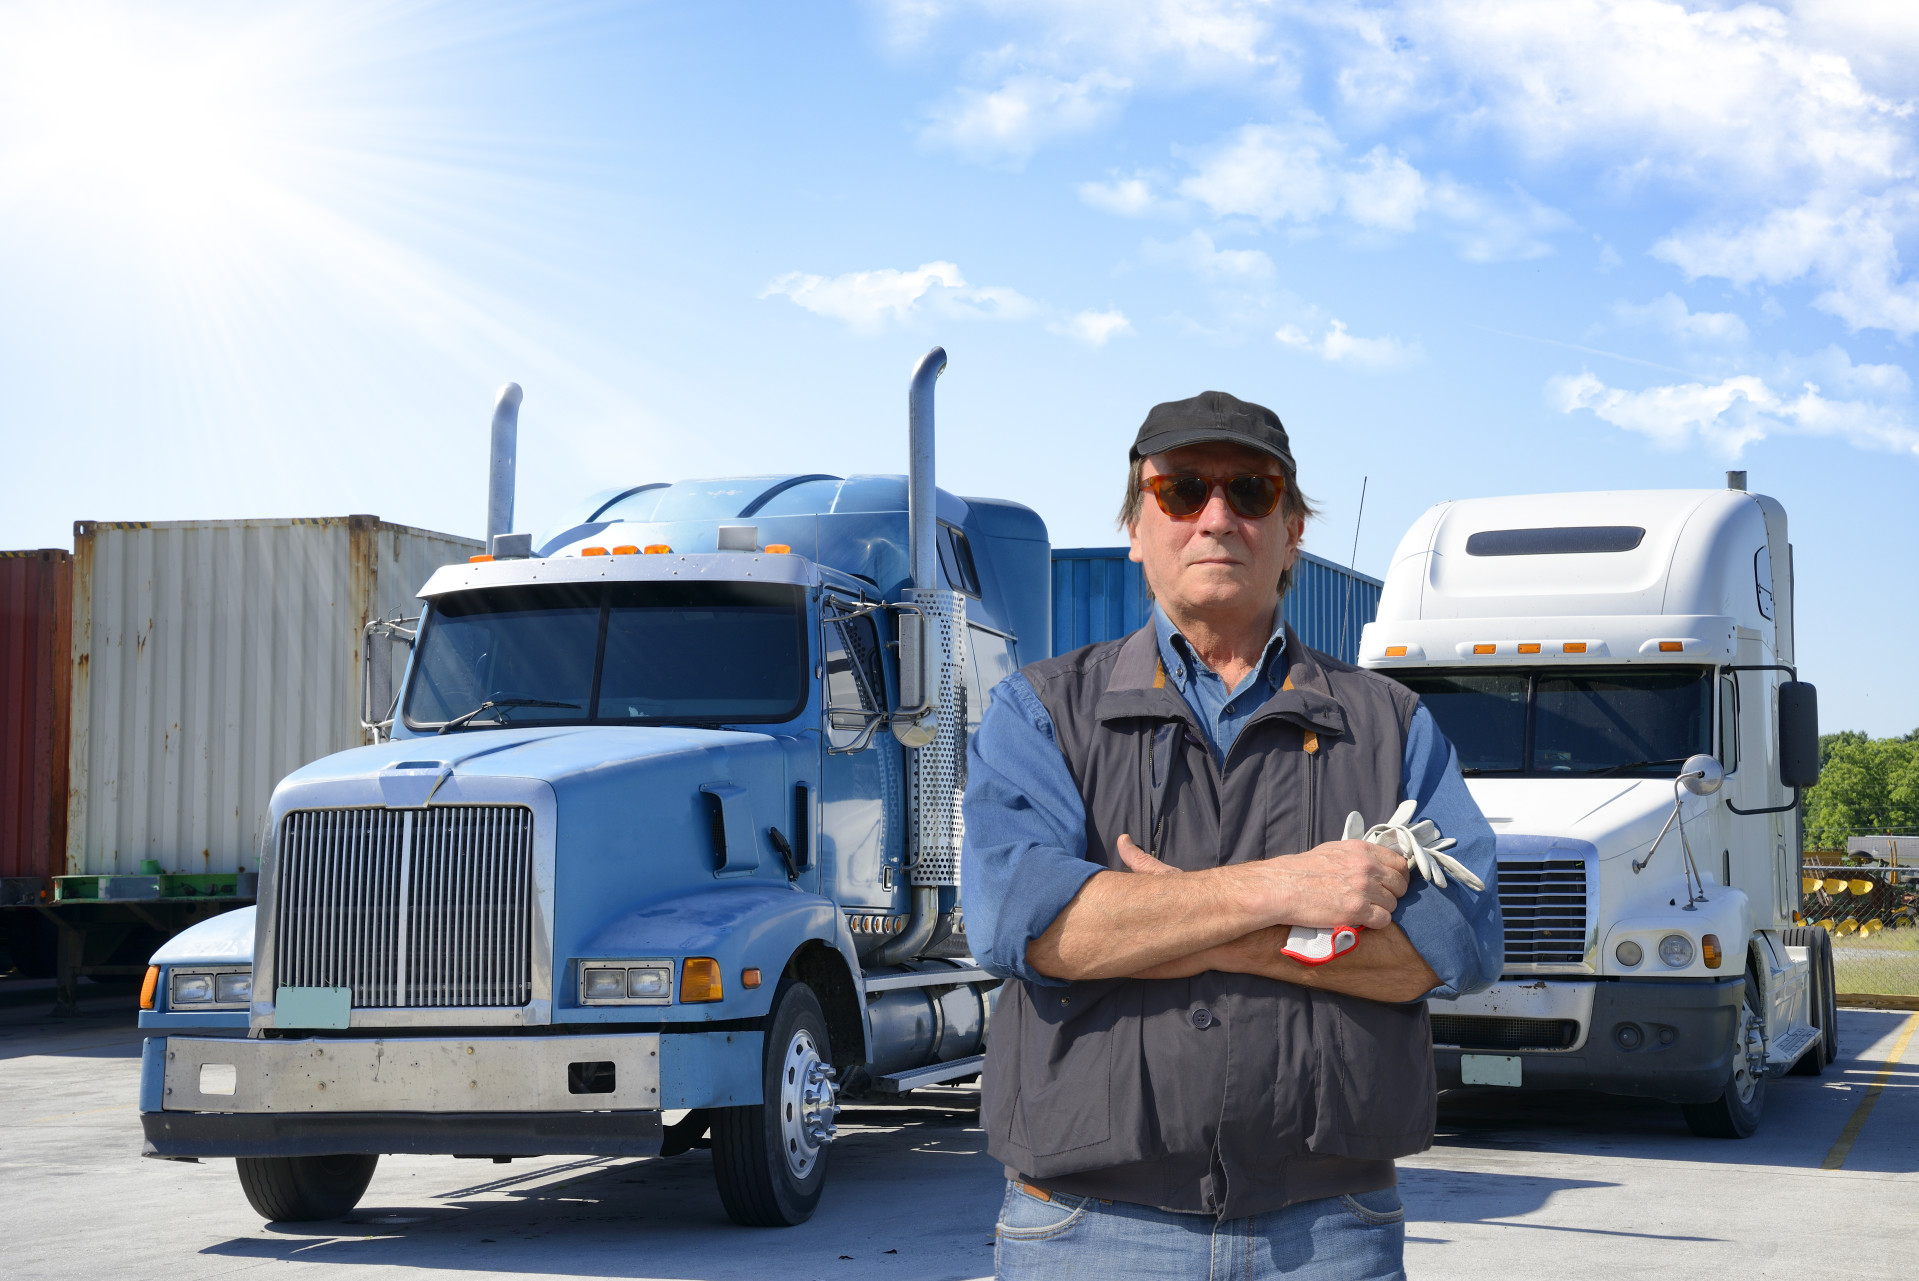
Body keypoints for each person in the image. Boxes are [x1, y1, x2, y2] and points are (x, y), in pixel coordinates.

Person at [961, 391, 1503, 1280]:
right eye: (1179, 491)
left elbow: (1458, 945)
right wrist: (1290, 891)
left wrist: (1164, 919)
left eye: (1250, 491)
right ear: (1135, 526)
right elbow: (1030, 928)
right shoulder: (1041, 710)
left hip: (1330, 1229)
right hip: (1089, 1230)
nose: (1216, 516)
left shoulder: (1391, 724)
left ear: (1291, 530)